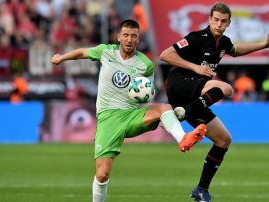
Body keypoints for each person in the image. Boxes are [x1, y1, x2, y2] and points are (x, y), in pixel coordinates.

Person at [50, 19, 207, 202]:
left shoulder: (145, 64)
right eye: (125, 35)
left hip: (132, 114)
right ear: (119, 37)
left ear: (138, 38)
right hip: (108, 118)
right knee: (102, 174)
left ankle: (183, 138)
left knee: (164, 108)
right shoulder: (106, 51)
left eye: (133, 36)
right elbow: (83, 52)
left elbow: (148, 90)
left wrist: (145, 94)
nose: (129, 39)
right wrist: (61, 58)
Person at [160, 2, 269, 201]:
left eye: (223, 21)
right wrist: (195, 68)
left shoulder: (223, 42)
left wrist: (264, 44)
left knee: (224, 140)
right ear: (209, 20)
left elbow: (235, 50)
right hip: (179, 84)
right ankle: (184, 113)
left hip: (193, 99)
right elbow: (166, 55)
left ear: (228, 23)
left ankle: (201, 189)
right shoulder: (196, 38)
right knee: (225, 88)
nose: (218, 24)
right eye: (215, 20)